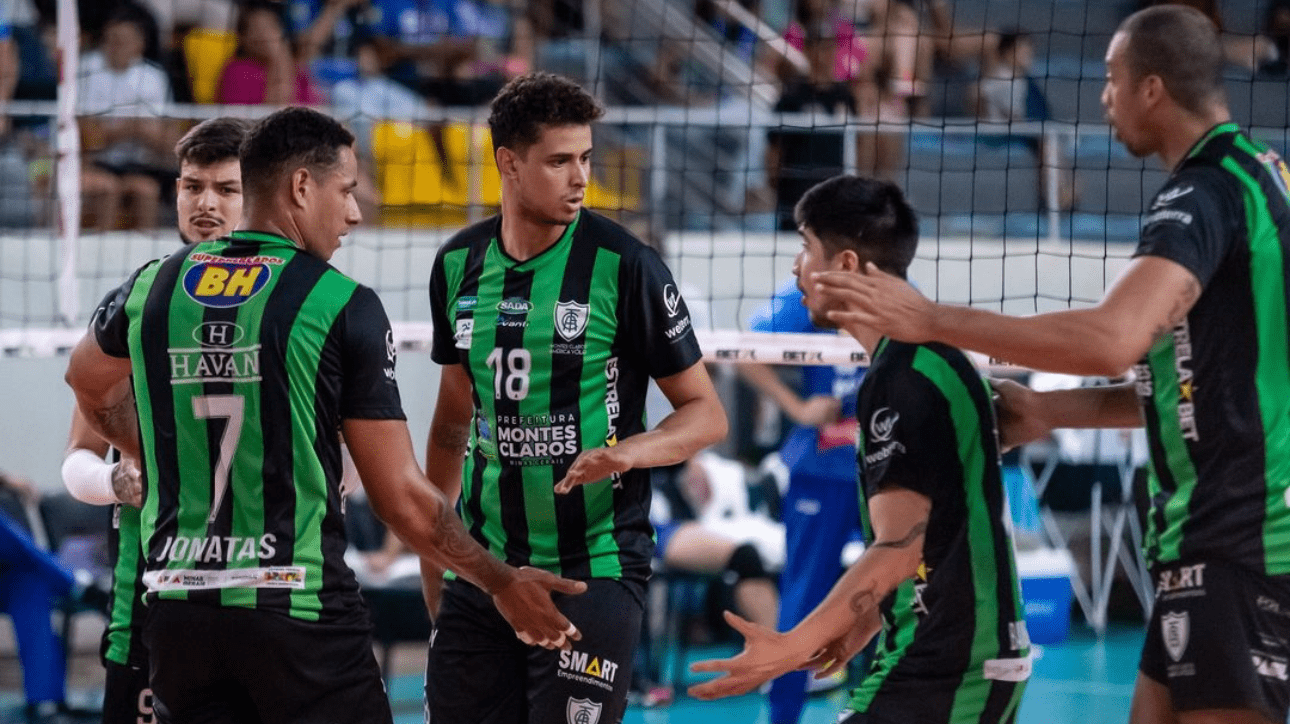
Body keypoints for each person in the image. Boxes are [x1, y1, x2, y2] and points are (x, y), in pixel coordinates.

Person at [818, 6, 1290, 723]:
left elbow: (1110, 340)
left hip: (1235, 541)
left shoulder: (1204, 193)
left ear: (1152, 89)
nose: (1104, 98)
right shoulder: (1262, 175)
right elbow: (1208, 386)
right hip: (1206, 541)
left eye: (1112, 79)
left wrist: (931, 318)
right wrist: (1049, 410)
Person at [64, 105, 585, 724]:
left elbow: (85, 379)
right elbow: (401, 500)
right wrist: (500, 580)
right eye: (347, 191)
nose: (355, 213)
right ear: (301, 187)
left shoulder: (149, 287)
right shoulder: (338, 301)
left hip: (179, 616)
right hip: (298, 609)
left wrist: (146, 448)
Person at [422, 71, 728, 724]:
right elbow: (452, 417)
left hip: (595, 563)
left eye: (585, 157)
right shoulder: (456, 265)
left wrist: (629, 452)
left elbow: (706, 413)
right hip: (483, 565)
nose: (581, 177)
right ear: (509, 163)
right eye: (560, 161)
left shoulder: (625, 266)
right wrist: (435, 553)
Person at [688, 174, 1030, 723]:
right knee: (813, 583)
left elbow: (899, 549)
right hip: (949, 655)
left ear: (845, 265)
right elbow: (930, 536)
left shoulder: (903, 378)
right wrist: (863, 621)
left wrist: (792, 645)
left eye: (806, 248)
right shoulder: (926, 360)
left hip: (950, 664)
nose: (796, 267)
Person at [59, 116, 248, 724]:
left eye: (226, 188)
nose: (206, 203)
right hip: (149, 589)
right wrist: (116, 480)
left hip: (260, 588)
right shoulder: (139, 300)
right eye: (192, 186)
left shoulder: (294, 301)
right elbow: (77, 459)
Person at [739, 279, 864, 724]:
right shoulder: (810, 291)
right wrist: (797, 408)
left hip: (888, 467)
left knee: (898, 592)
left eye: (808, 248)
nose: (800, 261)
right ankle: (783, 714)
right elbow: (745, 350)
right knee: (803, 596)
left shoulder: (899, 287)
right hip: (821, 469)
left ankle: (880, 707)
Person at [77, 3, 176, 231]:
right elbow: (88, 138)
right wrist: (132, 128)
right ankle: (100, 250)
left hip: (138, 164)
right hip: (94, 162)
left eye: (124, 41)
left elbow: (167, 139)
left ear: (140, 44)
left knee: (146, 191)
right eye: (111, 40)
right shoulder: (87, 68)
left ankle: (146, 252)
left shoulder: (153, 77)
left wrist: (116, 130)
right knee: (107, 188)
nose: (115, 47)